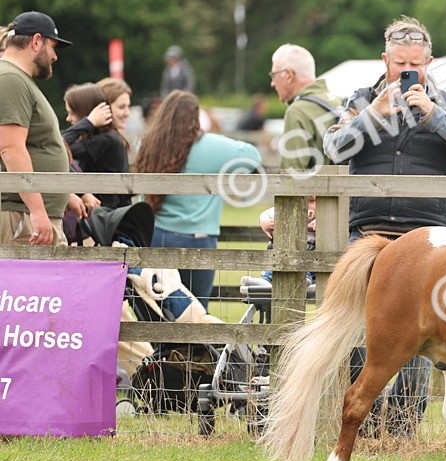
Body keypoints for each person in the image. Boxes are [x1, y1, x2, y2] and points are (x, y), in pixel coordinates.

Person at [323, 15, 446, 436]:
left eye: (416, 63)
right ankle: (362, 421)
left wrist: (433, 116)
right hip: (369, 230)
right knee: (366, 328)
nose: (407, 70)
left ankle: (403, 428)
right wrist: (372, 117)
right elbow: (334, 148)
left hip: (428, 235)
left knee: (420, 331)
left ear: (430, 61)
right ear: (385, 60)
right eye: (399, 63)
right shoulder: (360, 101)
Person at [137, 90, 261, 309]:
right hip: (197, 238)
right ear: (195, 117)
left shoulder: (148, 145)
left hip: (156, 235)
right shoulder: (211, 145)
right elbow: (253, 156)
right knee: (196, 314)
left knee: (157, 310)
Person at [0, 11, 75, 247]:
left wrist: (64, 193)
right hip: (22, 215)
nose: (54, 57)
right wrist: (38, 211)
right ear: (35, 41)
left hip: (27, 214)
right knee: (23, 286)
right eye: (52, 47)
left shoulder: (17, 78)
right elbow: (10, 148)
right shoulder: (10, 79)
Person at [270, 43, 341, 172]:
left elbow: (290, 178)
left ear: (289, 75)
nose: (272, 83)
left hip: (318, 191)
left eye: (274, 76)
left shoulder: (297, 111)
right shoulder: (336, 102)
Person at [62, 83, 132, 209]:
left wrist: (87, 122)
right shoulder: (108, 137)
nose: (68, 118)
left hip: (107, 220)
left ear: (85, 113)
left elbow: (57, 149)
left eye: (72, 113)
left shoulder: (107, 140)